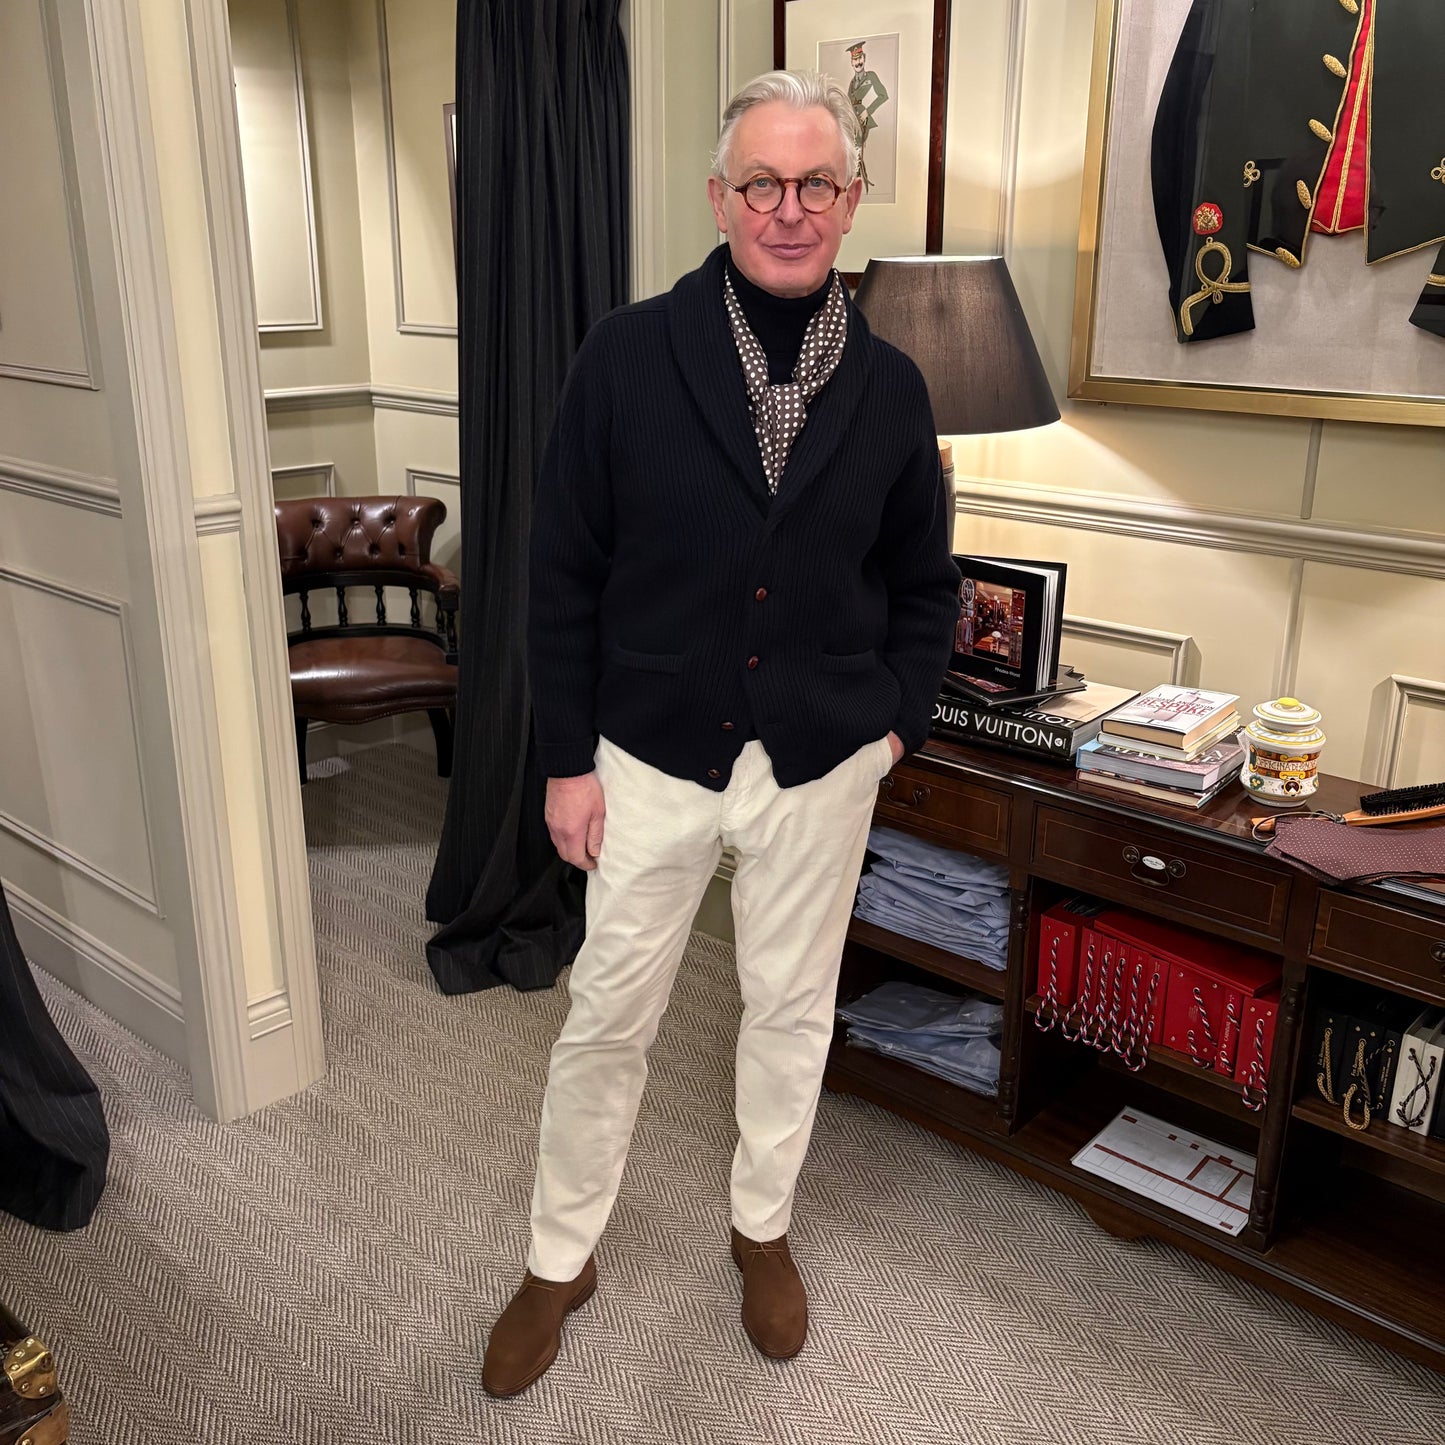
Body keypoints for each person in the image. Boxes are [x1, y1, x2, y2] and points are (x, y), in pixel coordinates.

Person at [482, 69, 960, 1399]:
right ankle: (560, 1254)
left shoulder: (895, 385)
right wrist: (566, 759)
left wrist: (895, 729)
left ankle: (760, 1229)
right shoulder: (626, 353)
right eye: (764, 182)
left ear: (851, 201)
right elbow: (560, 568)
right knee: (607, 1013)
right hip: (645, 749)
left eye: (817, 184)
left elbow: (925, 583)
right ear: (721, 195)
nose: (790, 209)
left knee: (790, 1010)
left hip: (820, 760)